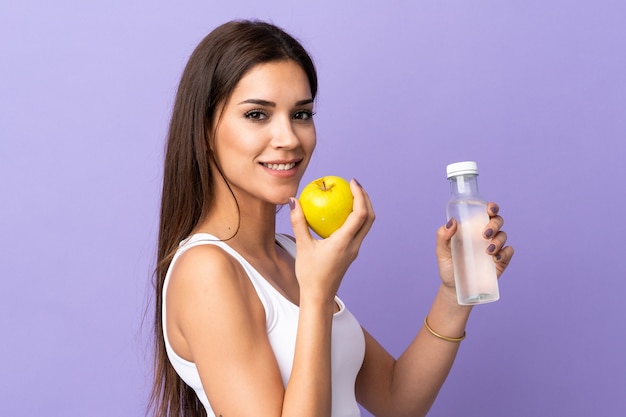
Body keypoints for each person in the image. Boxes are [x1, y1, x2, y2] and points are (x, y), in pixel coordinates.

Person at [148, 19, 514, 417]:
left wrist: (455, 292)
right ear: (203, 129)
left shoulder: (290, 253)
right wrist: (318, 295)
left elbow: (397, 400)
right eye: (257, 115)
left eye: (301, 114)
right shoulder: (208, 271)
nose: (289, 138)